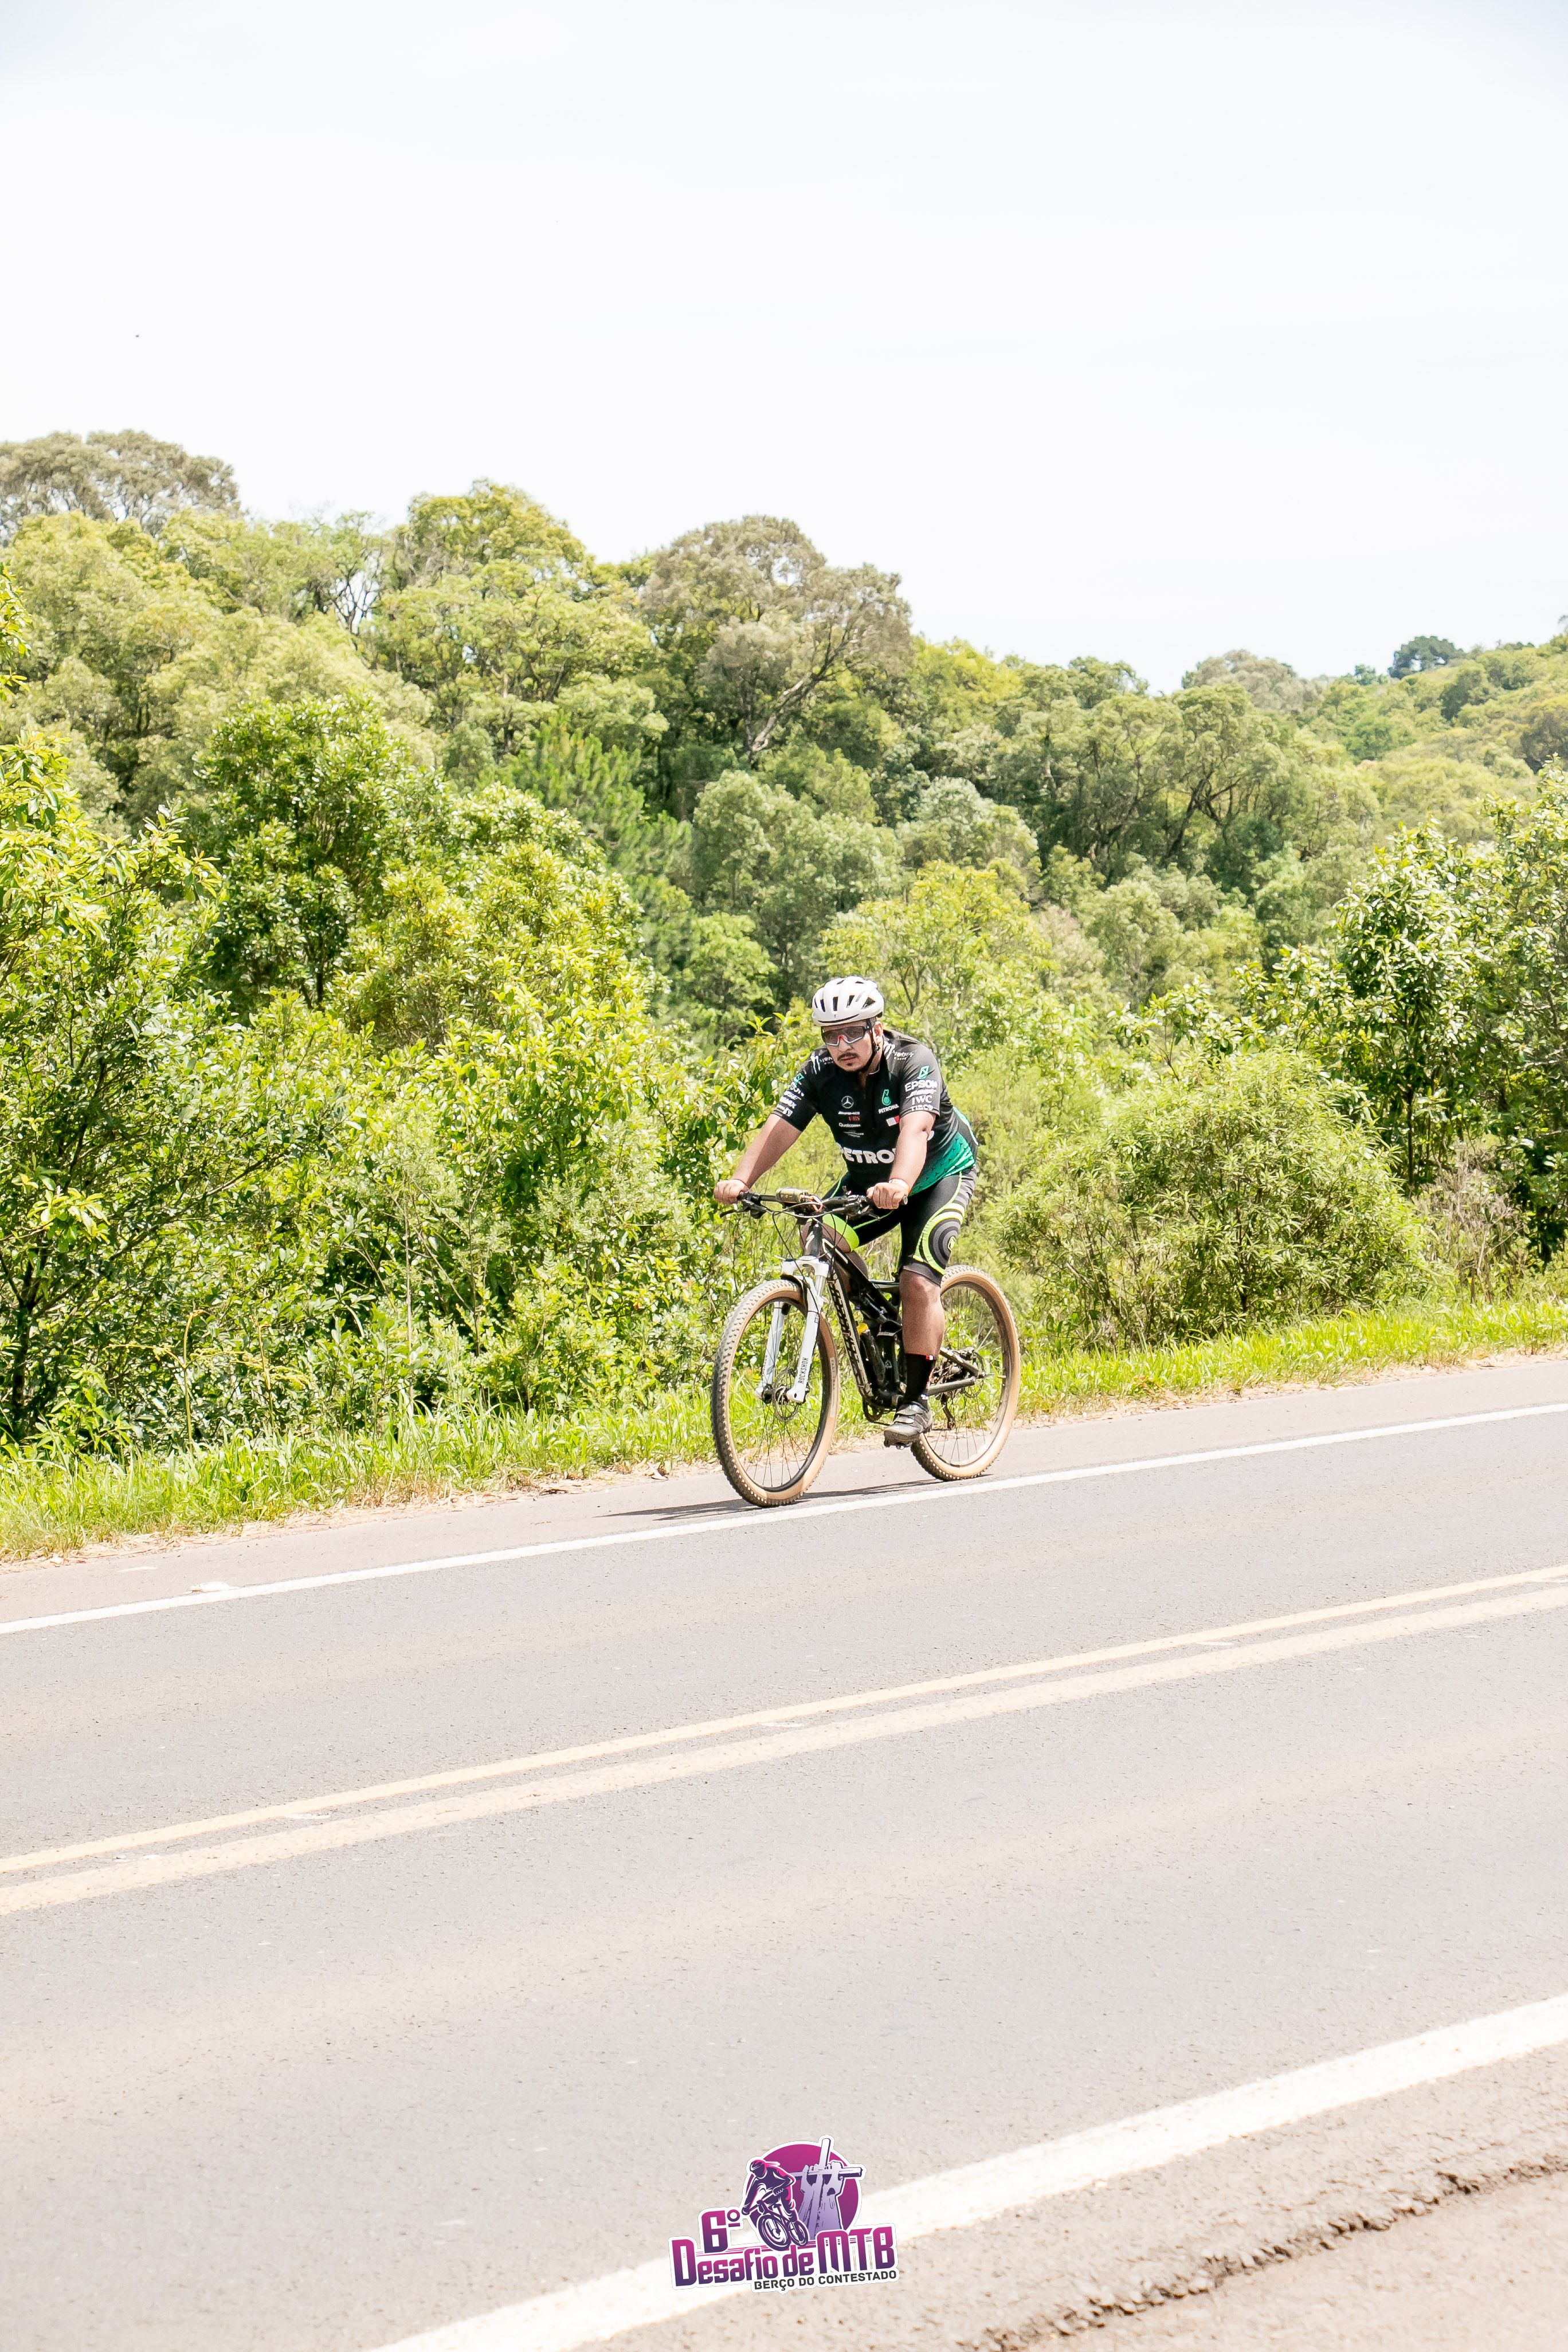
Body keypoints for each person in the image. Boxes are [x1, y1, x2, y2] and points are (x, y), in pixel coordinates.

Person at [715, 976, 978, 1445]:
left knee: (918, 1280)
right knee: (816, 1237)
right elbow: (781, 1124)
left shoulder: (913, 1061)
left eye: (853, 1032)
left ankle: (916, 1401)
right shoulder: (820, 1070)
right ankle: (878, 1321)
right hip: (867, 1181)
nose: (842, 1046)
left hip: (936, 1175)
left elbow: (916, 1131)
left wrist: (900, 1183)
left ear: (877, 1028)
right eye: (831, 1036)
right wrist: (741, 1180)